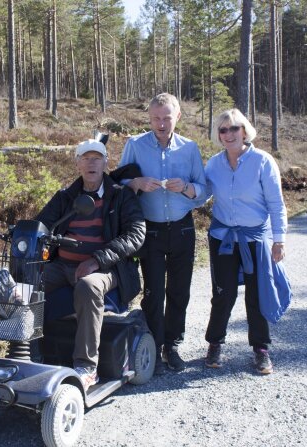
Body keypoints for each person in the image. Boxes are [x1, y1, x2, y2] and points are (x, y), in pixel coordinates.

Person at [36, 139, 146, 390]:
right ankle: (27, 350)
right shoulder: (65, 197)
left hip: (108, 269)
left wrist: (97, 260)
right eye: (85, 158)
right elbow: (42, 224)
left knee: (87, 287)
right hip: (62, 265)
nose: (91, 163)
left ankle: (86, 366)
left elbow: (136, 234)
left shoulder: (121, 195)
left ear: (106, 163)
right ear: (77, 164)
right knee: (26, 280)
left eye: (97, 158)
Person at [118, 93, 207, 373]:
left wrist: (185, 188)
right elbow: (117, 182)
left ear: (177, 117)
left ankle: (173, 345)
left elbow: (203, 191)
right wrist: (137, 182)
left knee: (179, 291)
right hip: (151, 230)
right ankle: (154, 347)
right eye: (156, 118)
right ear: (149, 117)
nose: (161, 123)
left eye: (166, 117)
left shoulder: (189, 148)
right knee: (154, 292)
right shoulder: (135, 145)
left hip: (182, 227)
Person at [202, 108, 291, 375]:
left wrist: (279, 240)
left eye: (234, 128)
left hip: (255, 238)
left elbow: (276, 204)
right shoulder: (213, 164)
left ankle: (261, 350)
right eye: (223, 130)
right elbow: (203, 194)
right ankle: (215, 343)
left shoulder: (263, 161)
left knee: (257, 294)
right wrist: (185, 189)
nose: (228, 134)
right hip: (223, 238)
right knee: (223, 294)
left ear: (244, 131)